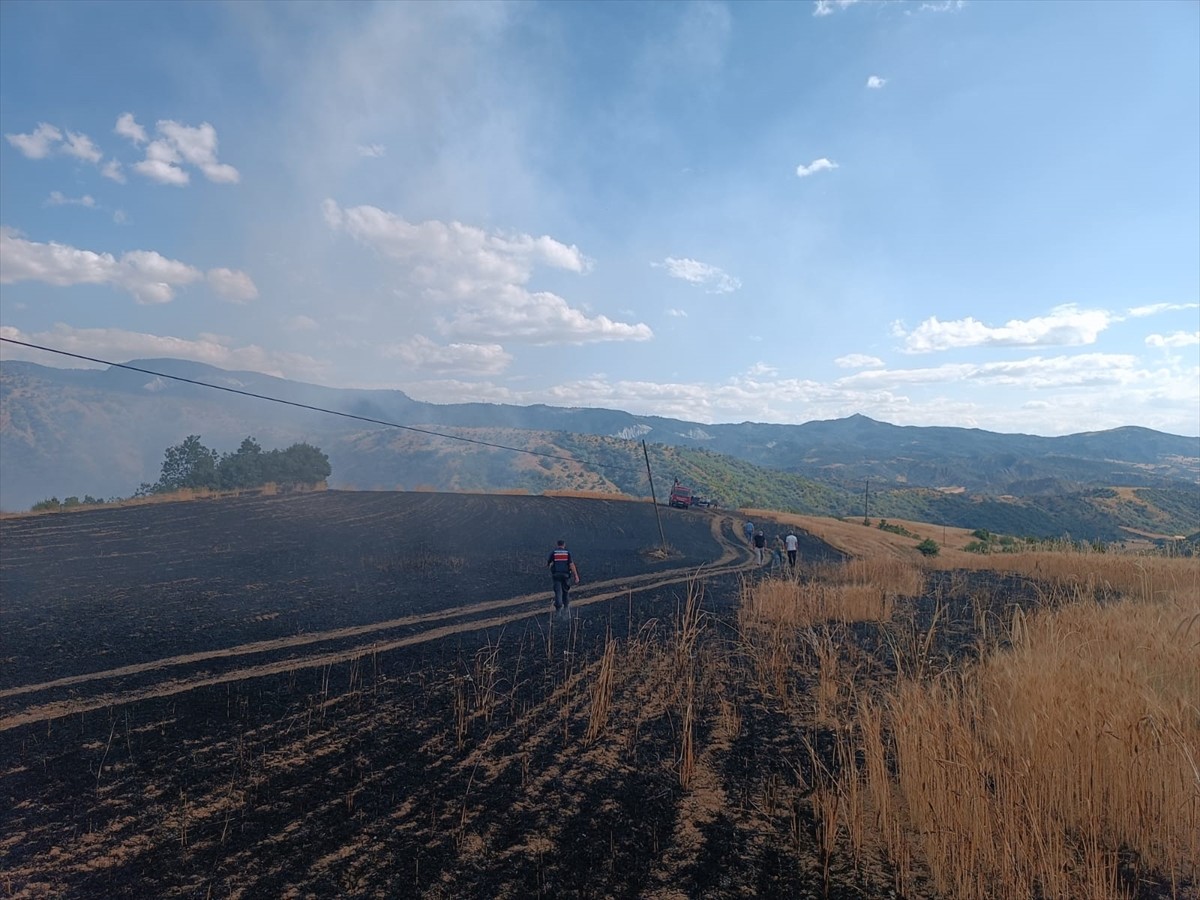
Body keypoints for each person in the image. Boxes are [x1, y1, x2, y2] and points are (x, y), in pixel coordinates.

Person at [547, 539, 580, 612]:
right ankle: (566, 609)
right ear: (564, 545)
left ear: (557, 545)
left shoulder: (554, 553)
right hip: (566, 575)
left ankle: (558, 609)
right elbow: (571, 565)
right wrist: (576, 576)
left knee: (558, 592)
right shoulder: (567, 553)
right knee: (565, 591)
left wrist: (551, 569)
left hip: (556, 575)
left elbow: (549, 563)